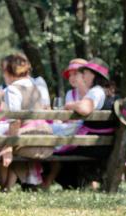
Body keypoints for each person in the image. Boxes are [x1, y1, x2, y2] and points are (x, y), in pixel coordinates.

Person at [56, 57, 117, 189]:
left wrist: (70, 105)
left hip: (93, 145)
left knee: (54, 150)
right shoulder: (108, 92)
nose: (82, 76)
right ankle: (79, 183)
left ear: (94, 75)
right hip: (102, 144)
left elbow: (84, 108)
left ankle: (71, 184)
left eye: (85, 73)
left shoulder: (95, 91)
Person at [0, 53, 47, 192]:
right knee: (5, 141)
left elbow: (15, 120)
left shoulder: (13, 89)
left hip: (28, 140)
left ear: (9, 71)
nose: (2, 74)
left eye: (3, 70)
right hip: (44, 136)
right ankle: (10, 185)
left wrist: (9, 148)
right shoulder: (34, 85)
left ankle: (5, 185)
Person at [43, 59, 88, 189]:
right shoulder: (70, 94)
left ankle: (47, 179)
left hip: (81, 133)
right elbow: (69, 117)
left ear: (84, 75)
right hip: (72, 131)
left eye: (75, 74)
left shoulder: (90, 94)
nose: (72, 78)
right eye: (70, 75)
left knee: (50, 133)